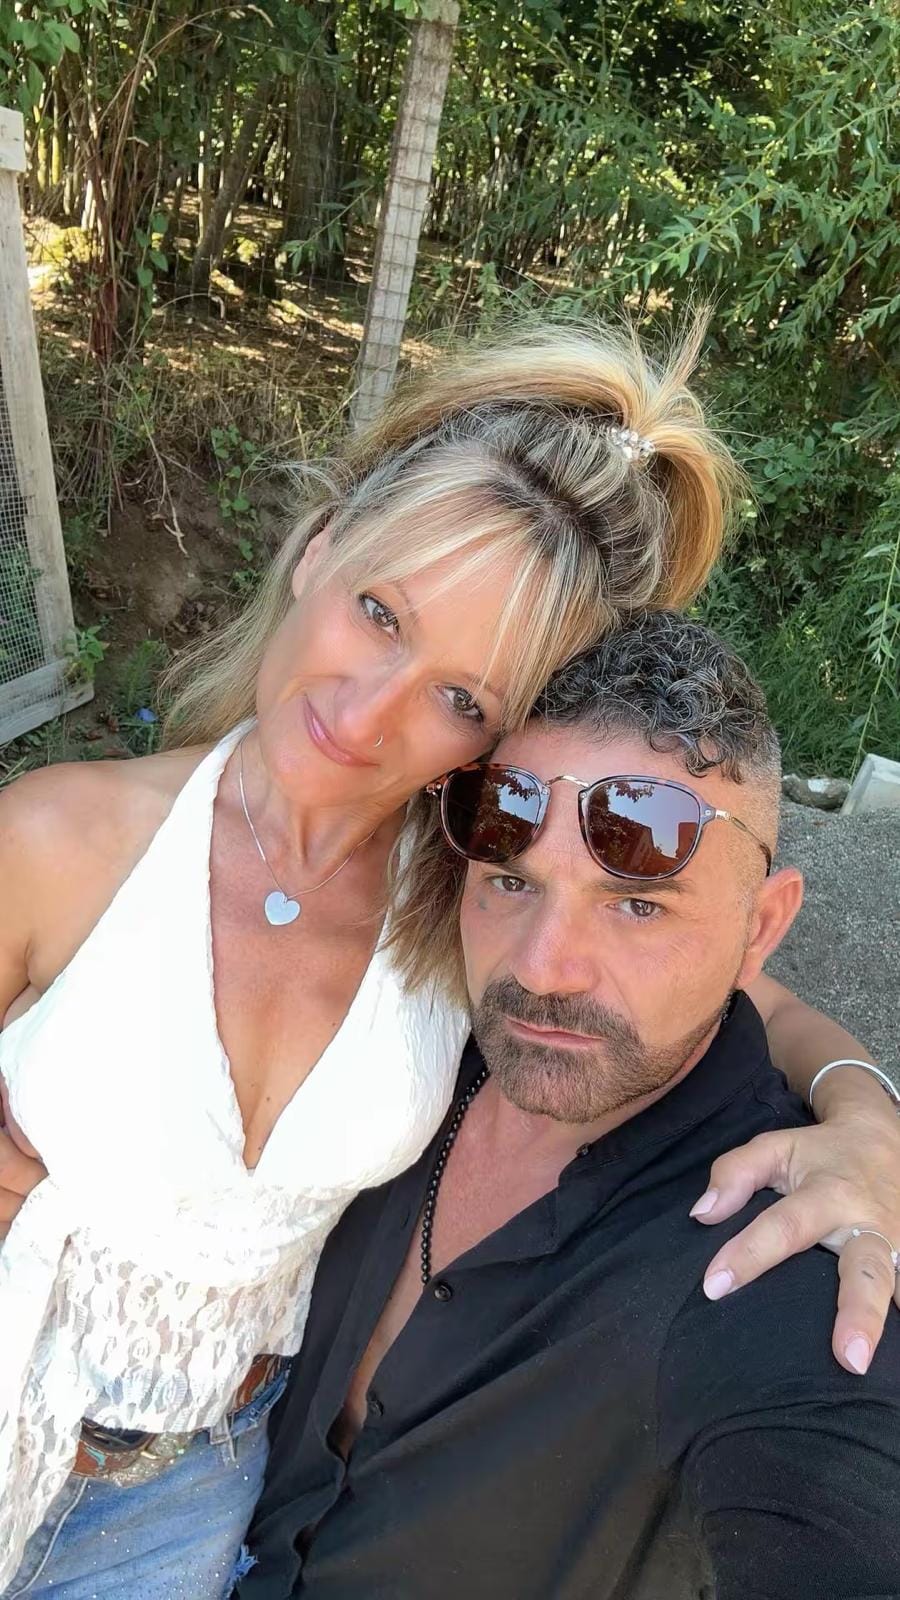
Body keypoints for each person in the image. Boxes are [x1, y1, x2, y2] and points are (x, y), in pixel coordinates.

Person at [0, 321, 896, 1600]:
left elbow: (753, 991)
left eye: (462, 698)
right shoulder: (57, 840)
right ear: (319, 546)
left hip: (197, 1490)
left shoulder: (476, 894)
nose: (368, 711)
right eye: (380, 613)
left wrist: (869, 1123)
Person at [242, 612, 900, 1600]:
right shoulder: (405, 1039)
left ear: (760, 927)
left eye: (638, 906)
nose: (543, 969)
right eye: (512, 882)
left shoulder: (778, 1270)